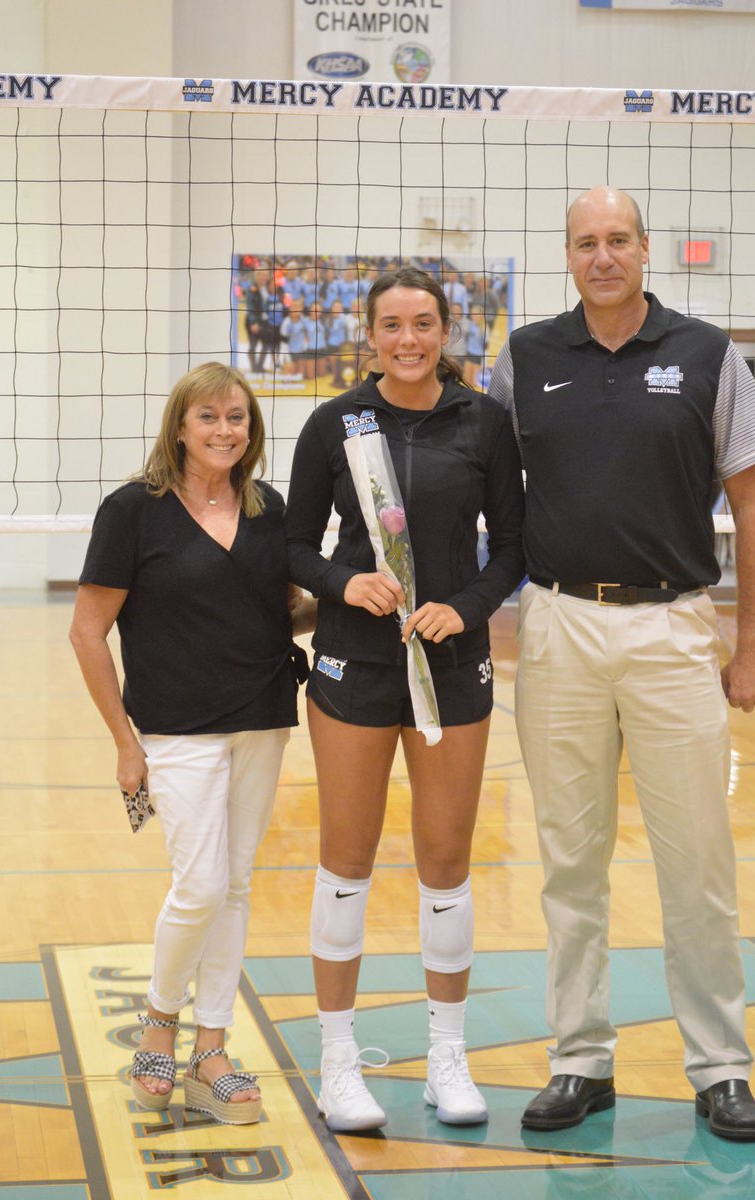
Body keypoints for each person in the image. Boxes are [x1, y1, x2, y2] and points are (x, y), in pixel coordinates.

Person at [488, 186, 755, 1143]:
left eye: (619, 239)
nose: (603, 255)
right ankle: (579, 1059)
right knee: (569, 862)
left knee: (695, 861)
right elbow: (484, 484)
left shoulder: (706, 353)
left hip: (672, 629)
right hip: (561, 625)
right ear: (566, 255)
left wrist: (754, 639)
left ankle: (722, 1068)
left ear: (647, 249)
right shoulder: (524, 358)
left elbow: (750, 502)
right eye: (586, 242)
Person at [285, 266, 525, 1132]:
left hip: (452, 665)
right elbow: (294, 546)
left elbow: (514, 549)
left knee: (446, 862)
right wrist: (346, 586)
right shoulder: (332, 423)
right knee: (346, 862)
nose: (408, 339)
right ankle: (339, 1063)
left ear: (446, 329)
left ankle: (447, 1058)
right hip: (354, 662)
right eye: (392, 325)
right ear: (370, 334)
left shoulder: (485, 422)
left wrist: (464, 607)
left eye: (423, 323)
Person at [69, 362, 308, 1125]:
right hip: (174, 729)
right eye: (209, 417)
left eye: (237, 417)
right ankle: (159, 1022)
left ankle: (211, 1050)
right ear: (180, 427)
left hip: (263, 717)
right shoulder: (133, 511)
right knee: (200, 885)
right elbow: (86, 632)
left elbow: (279, 611)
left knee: (235, 886)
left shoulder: (271, 510)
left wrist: (353, 594)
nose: (225, 430)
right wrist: (124, 742)